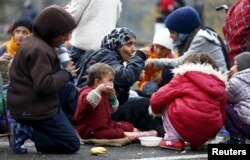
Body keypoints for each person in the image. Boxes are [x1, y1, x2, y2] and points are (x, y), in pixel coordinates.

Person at [7, 5, 80, 154]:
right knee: (71, 144)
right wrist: (65, 73)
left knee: (70, 90)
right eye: (64, 34)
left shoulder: (39, 41)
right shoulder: (39, 50)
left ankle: (54, 126)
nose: (68, 38)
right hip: (31, 107)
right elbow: (43, 85)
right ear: (50, 32)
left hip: (28, 100)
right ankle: (28, 130)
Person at [76, 27, 164, 135]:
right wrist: (139, 56)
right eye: (128, 44)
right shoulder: (105, 55)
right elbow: (124, 77)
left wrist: (134, 77)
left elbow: (121, 97)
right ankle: (159, 133)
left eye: (134, 44)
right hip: (94, 112)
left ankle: (160, 131)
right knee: (143, 105)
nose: (133, 49)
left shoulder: (113, 58)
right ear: (116, 45)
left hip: (105, 107)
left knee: (144, 96)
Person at [149, 53, 227, 150]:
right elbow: (223, 113)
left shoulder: (184, 76)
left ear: (188, 64)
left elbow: (157, 99)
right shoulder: (220, 84)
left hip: (184, 124)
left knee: (167, 99)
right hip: (207, 132)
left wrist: (156, 111)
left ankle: (172, 139)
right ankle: (197, 143)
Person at [74, 62, 157, 140]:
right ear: (97, 82)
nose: (112, 84)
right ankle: (132, 135)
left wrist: (113, 97)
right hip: (90, 129)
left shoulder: (104, 94)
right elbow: (89, 103)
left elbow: (113, 109)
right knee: (115, 133)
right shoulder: (86, 92)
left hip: (105, 124)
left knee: (126, 125)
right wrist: (98, 90)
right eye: (110, 80)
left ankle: (134, 131)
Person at [145, 6, 230, 72]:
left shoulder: (200, 38)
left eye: (172, 32)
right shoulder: (194, 36)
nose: (170, 36)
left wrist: (155, 62)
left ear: (182, 32)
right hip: (211, 78)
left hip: (218, 82)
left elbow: (181, 62)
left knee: (168, 73)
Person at [64, 0, 122, 64]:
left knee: (70, 72)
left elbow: (71, 18)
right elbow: (117, 15)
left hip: (81, 48)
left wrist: (65, 11)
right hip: (104, 52)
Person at [220, 52, 250, 144]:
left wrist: (226, 78)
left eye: (235, 64)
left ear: (242, 66)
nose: (231, 67)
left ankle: (236, 137)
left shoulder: (237, 81)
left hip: (247, 127)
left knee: (223, 104)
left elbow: (222, 94)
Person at [136, 28, 176, 97]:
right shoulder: (146, 53)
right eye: (156, 46)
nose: (159, 51)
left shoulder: (172, 57)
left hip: (164, 84)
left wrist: (162, 76)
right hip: (146, 83)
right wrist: (143, 66)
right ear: (153, 44)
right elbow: (134, 65)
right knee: (152, 87)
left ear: (169, 50)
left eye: (163, 48)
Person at [0, 17, 32, 85]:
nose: (20, 35)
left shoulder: (33, 50)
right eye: (17, 32)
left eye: (25, 32)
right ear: (13, 34)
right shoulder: (5, 48)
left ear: (30, 35)